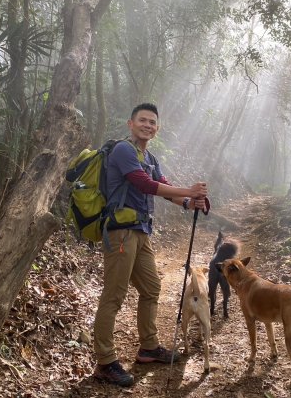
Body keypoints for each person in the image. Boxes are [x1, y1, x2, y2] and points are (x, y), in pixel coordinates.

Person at [93, 103, 209, 387]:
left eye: (152, 122)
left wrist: (188, 201)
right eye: (142, 120)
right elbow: (144, 184)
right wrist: (188, 191)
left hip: (141, 232)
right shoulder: (123, 150)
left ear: (157, 128)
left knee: (151, 288)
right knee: (114, 295)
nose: (147, 125)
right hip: (121, 233)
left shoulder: (151, 157)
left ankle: (148, 347)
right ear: (130, 123)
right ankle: (105, 362)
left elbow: (163, 185)